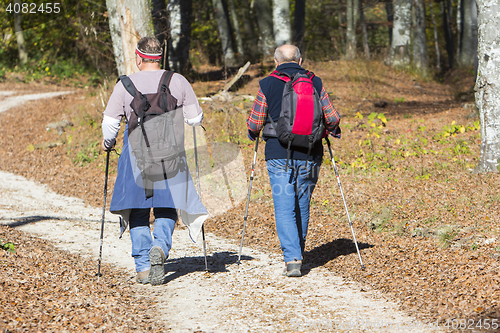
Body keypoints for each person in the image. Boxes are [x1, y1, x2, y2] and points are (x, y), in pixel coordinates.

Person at [101, 37, 208, 285]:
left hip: (134, 156)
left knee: (138, 212)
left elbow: (110, 124)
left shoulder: (124, 84)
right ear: (160, 57)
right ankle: (159, 247)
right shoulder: (177, 80)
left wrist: (109, 144)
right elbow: (195, 120)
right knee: (167, 208)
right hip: (169, 156)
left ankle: (143, 267)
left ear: (139, 58)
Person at [247, 44, 341, 277]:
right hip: (311, 154)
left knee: (284, 206)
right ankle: (298, 250)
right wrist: (331, 131)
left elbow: (255, 123)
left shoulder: (267, 84)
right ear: (300, 61)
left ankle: (293, 258)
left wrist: (253, 133)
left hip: (278, 155)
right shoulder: (315, 82)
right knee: (302, 203)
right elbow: (332, 117)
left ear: (276, 62)